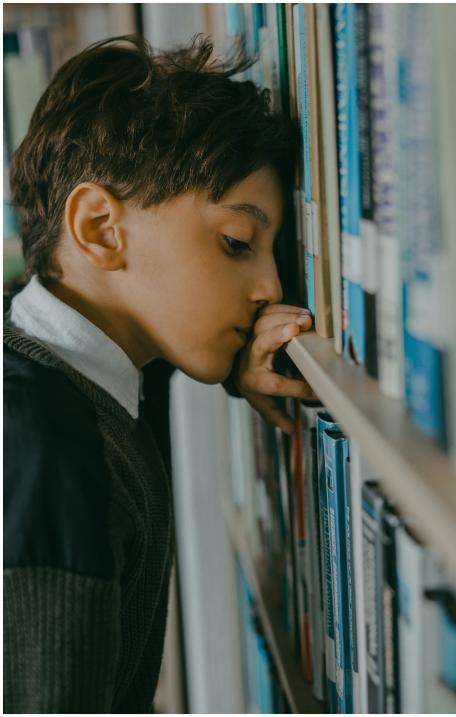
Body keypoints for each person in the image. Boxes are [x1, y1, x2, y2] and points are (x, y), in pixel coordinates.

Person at [3, 34, 316, 713]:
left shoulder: (47, 361)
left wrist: (234, 362)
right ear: (100, 229)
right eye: (237, 242)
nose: (270, 285)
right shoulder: (48, 453)